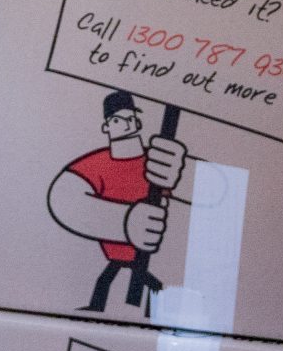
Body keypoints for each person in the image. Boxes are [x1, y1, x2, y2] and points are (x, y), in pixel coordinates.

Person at [47, 89, 190, 313]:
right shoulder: (98, 163)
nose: (125, 124)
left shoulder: (156, 162)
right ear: (106, 126)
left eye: (130, 118)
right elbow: (63, 197)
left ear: (137, 122)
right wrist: (123, 221)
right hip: (116, 257)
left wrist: (183, 172)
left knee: (151, 290)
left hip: (149, 260)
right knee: (107, 281)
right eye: (117, 119)